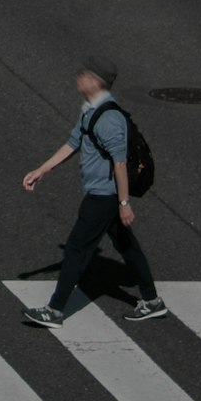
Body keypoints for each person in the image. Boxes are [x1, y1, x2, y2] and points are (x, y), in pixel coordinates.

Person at [21, 61, 168, 326]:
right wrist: (43, 170)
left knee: (77, 249)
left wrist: (124, 203)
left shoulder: (109, 119)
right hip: (104, 194)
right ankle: (152, 301)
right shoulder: (91, 112)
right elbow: (73, 142)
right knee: (127, 246)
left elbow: (120, 163)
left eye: (84, 75)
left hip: (104, 196)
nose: (78, 79)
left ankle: (54, 310)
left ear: (96, 81)